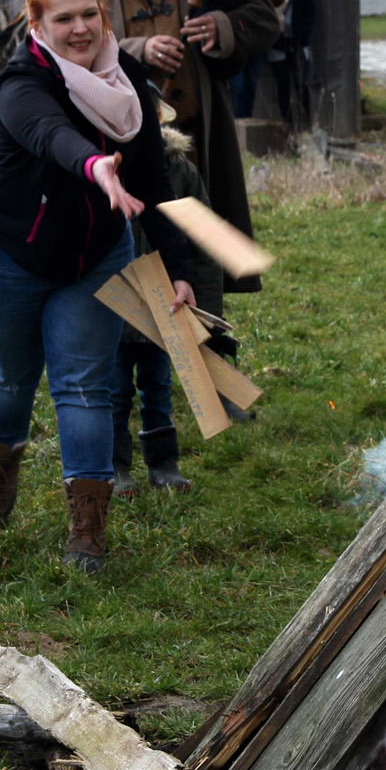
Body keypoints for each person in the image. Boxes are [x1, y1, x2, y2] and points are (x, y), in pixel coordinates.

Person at [0, 0, 204, 573]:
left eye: (89, 14)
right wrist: (95, 165)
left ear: (103, 14)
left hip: (94, 256)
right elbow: (49, 134)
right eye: (64, 18)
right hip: (6, 254)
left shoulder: (128, 83)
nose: (80, 29)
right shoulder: (22, 81)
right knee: (11, 377)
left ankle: (87, 529)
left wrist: (178, 267)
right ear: (38, 24)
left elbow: (154, 179)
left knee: (85, 386)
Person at [93, 0, 280, 328]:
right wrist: (136, 50)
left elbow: (267, 17)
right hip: (122, 150)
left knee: (201, 254)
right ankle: (136, 351)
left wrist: (222, 25)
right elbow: (59, 42)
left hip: (199, 146)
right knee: (130, 251)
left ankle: (207, 345)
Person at [113, 125, 209, 497]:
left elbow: (199, 237)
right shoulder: (101, 164)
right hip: (114, 301)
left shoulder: (180, 170)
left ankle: (164, 463)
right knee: (114, 387)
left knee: (159, 384)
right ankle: (114, 465)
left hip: (163, 303)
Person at [267, 0, 315, 126]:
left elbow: (309, 11)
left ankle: (307, 124)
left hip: (297, 41)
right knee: (283, 85)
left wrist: (303, 36)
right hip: (275, 41)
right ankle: (287, 125)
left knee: (302, 83)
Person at [229, 0, 265, 117]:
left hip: (254, 43)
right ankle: (238, 124)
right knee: (238, 86)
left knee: (251, 85)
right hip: (235, 42)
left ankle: (247, 122)